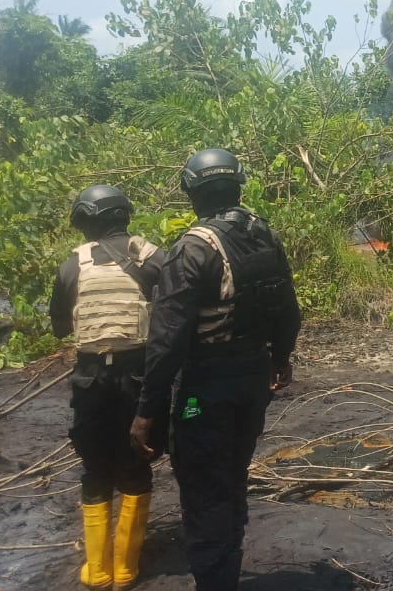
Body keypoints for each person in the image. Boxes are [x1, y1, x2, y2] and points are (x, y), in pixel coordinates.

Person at [130, 149, 301, 591]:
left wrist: (147, 410)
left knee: (204, 487)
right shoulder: (264, 235)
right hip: (253, 382)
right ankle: (227, 571)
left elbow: (167, 341)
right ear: (238, 187)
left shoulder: (191, 249)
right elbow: (288, 308)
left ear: (192, 193)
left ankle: (215, 581)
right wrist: (281, 359)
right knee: (232, 474)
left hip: (202, 392)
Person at [50, 184, 166, 589]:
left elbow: (59, 327)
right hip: (140, 378)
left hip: (90, 381)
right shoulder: (153, 258)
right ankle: (127, 567)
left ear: (86, 221)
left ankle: (98, 571)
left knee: (95, 468)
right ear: (123, 215)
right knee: (135, 462)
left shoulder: (73, 265)